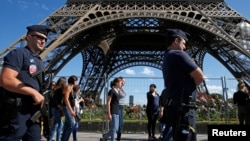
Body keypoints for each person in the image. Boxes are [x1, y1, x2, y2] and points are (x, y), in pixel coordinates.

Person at [0, 25, 51, 140]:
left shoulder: (39, 60)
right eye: (39, 37)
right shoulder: (18, 54)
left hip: (33, 111)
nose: (43, 41)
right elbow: (6, 79)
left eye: (45, 39)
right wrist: (33, 92)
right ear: (28, 37)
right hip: (17, 110)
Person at [162, 29, 204, 141]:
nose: (185, 47)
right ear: (176, 40)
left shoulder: (167, 56)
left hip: (174, 106)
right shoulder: (178, 54)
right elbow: (200, 76)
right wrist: (190, 87)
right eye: (184, 43)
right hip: (184, 108)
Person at [48, 77, 67, 141]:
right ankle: (58, 140)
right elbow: (57, 102)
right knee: (60, 124)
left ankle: (50, 139)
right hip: (56, 109)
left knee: (55, 125)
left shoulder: (55, 90)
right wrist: (62, 109)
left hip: (54, 109)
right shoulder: (59, 90)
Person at [61, 75, 78, 141]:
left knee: (67, 125)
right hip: (67, 107)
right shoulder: (68, 87)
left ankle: (63, 139)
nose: (76, 82)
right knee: (71, 124)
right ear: (73, 81)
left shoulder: (71, 87)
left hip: (68, 107)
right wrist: (71, 110)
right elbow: (66, 99)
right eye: (75, 80)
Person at [117, 76, 126, 141]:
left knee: (121, 124)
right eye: (123, 81)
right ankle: (118, 139)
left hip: (121, 107)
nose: (124, 83)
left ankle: (118, 138)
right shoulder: (117, 89)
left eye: (124, 82)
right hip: (117, 107)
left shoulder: (122, 89)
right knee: (118, 125)